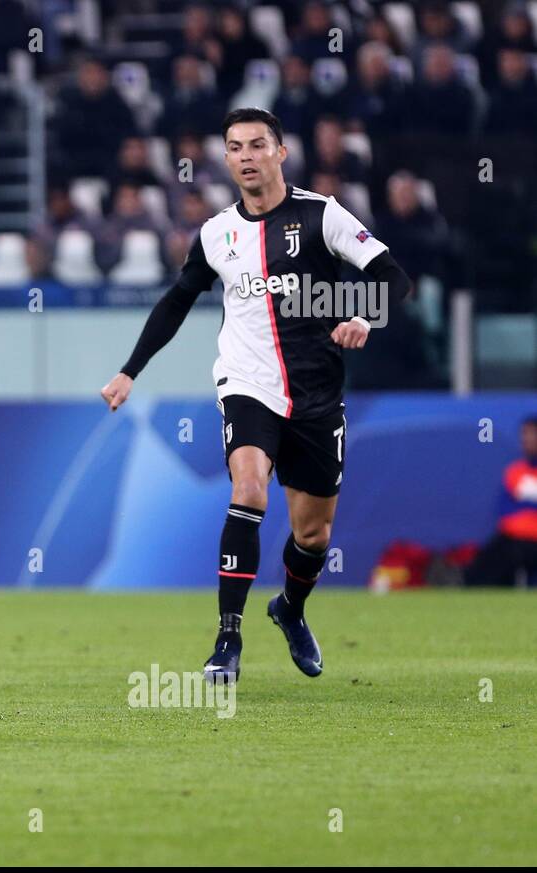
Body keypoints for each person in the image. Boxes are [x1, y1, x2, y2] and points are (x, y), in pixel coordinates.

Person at [100, 108, 412, 684]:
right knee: (249, 489)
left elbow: (393, 275)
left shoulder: (322, 215)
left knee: (312, 535)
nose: (245, 156)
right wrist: (130, 371)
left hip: (317, 394)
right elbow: (177, 300)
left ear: (280, 152)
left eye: (256, 145)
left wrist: (366, 317)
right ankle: (227, 639)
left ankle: (290, 608)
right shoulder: (217, 233)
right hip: (246, 385)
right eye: (234, 147)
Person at [464, 417, 537, 586]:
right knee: (481, 570)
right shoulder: (515, 471)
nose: (527, 439)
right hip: (514, 538)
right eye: (524, 434)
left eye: (532, 434)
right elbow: (506, 509)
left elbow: (519, 506)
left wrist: (524, 503)